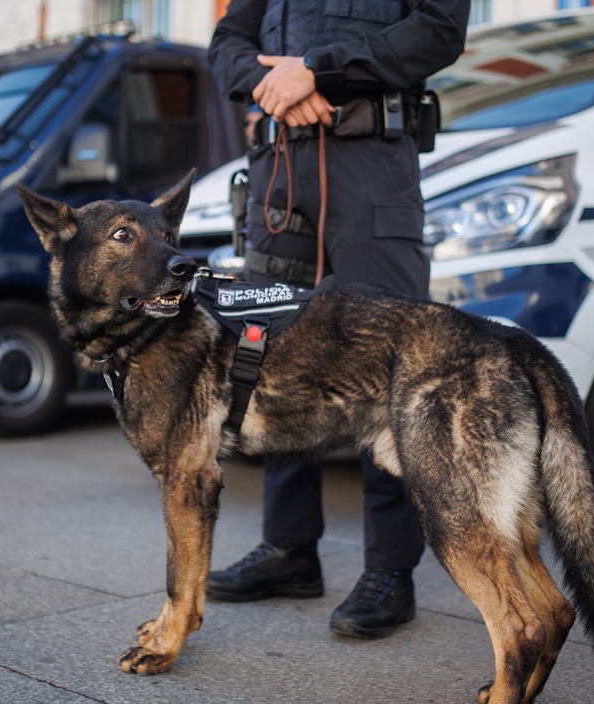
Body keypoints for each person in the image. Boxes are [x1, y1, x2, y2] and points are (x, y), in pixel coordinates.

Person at [206, 0, 471, 639]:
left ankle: (390, 570)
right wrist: (276, 85)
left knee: (391, 365)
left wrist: (317, 72)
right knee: (270, 360)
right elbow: (227, 41)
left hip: (371, 170)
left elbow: (438, 31)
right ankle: (288, 549)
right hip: (279, 173)